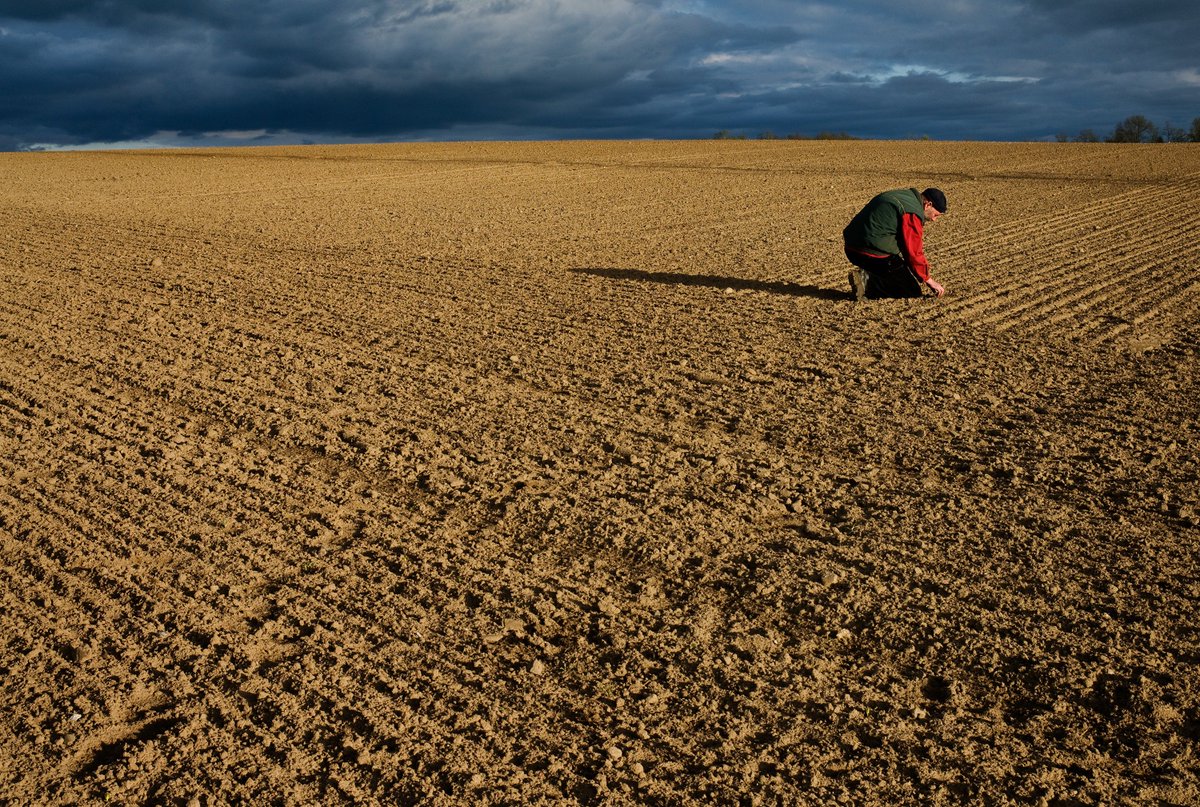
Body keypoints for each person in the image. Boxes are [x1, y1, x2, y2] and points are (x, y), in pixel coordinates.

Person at [843, 187, 947, 300]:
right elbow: (913, 252)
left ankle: (871, 275)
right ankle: (866, 283)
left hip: (851, 246)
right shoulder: (912, 212)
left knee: (897, 268)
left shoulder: (905, 196)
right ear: (928, 205)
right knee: (910, 291)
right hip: (869, 251)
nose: (934, 219)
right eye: (936, 215)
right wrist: (928, 280)